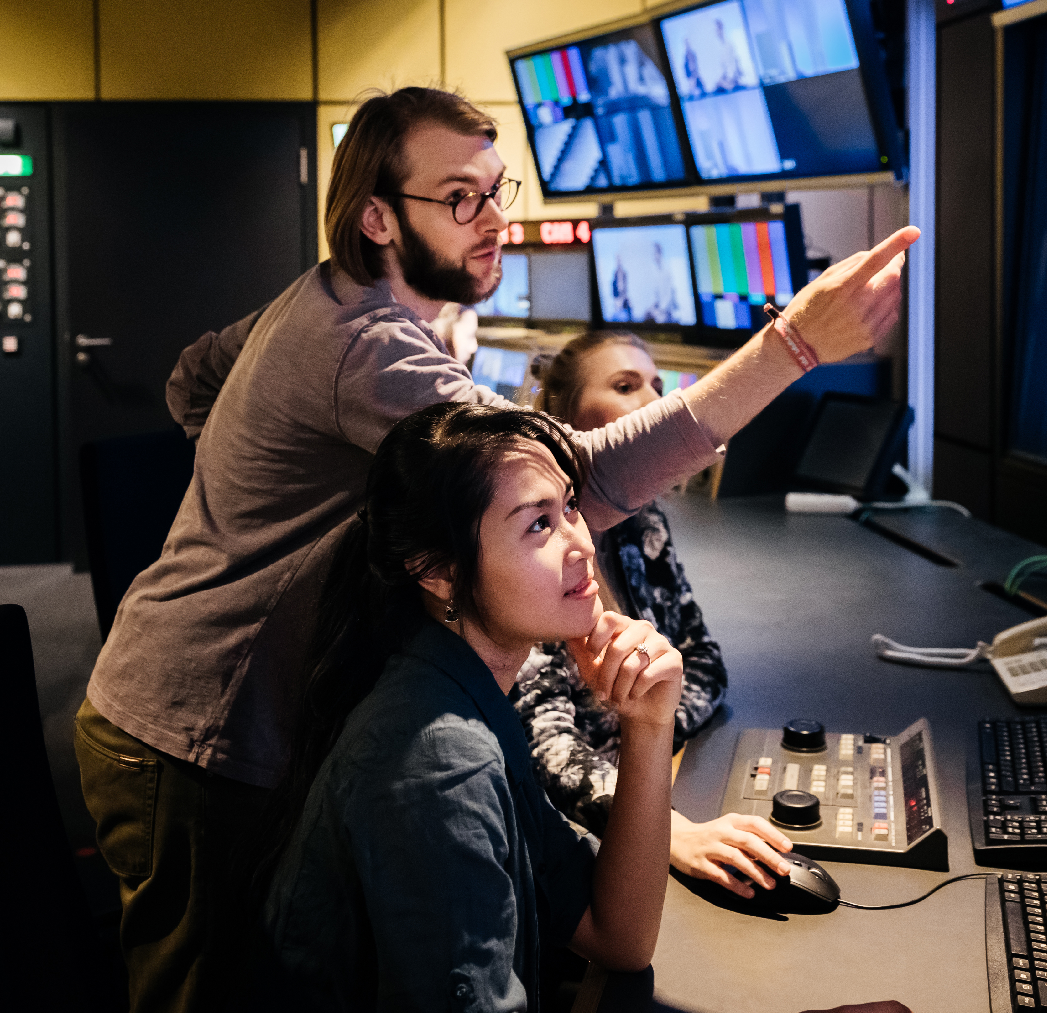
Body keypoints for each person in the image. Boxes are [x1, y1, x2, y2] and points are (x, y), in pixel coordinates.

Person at [74, 84, 916, 1013]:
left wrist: (255, 497)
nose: (494, 221)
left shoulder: (323, 296)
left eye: (495, 189)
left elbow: (192, 379)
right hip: (199, 726)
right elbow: (588, 474)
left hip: (208, 695)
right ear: (378, 219)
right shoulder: (364, 347)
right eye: (459, 199)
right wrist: (794, 344)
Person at [258, 401, 909, 1013]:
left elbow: (617, 935)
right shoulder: (441, 762)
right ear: (440, 572)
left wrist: (647, 723)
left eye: (570, 505)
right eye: (538, 523)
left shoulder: (466, 694)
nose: (582, 542)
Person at [516, 332, 792, 898]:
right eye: (625, 386)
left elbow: (704, 664)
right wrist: (668, 826)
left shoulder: (642, 525)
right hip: (558, 843)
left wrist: (649, 735)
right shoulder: (530, 554)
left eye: (658, 386)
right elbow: (544, 748)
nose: (654, 402)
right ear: (566, 422)